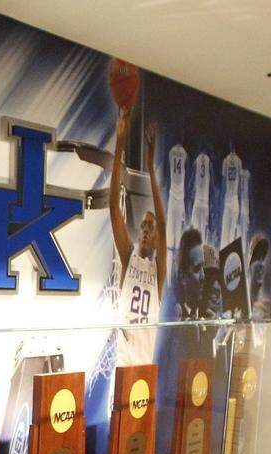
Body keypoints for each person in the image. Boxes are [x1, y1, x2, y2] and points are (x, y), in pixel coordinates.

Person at [109, 106, 166, 365]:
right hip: (124, 361)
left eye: (149, 227)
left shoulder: (158, 272)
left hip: (145, 365)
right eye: (143, 226)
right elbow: (112, 207)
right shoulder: (128, 256)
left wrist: (151, 169)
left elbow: (164, 225)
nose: (145, 230)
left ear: (155, 238)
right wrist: (119, 142)